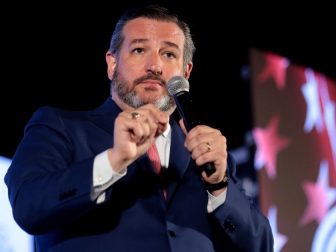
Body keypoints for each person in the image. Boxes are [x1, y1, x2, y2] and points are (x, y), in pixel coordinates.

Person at [5, 5, 273, 252]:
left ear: (186, 73)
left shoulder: (205, 154)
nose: (154, 66)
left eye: (168, 54)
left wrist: (219, 186)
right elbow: (28, 206)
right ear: (112, 64)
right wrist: (113, 161)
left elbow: (260, 246)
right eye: (139, 50)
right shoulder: (59, 127)